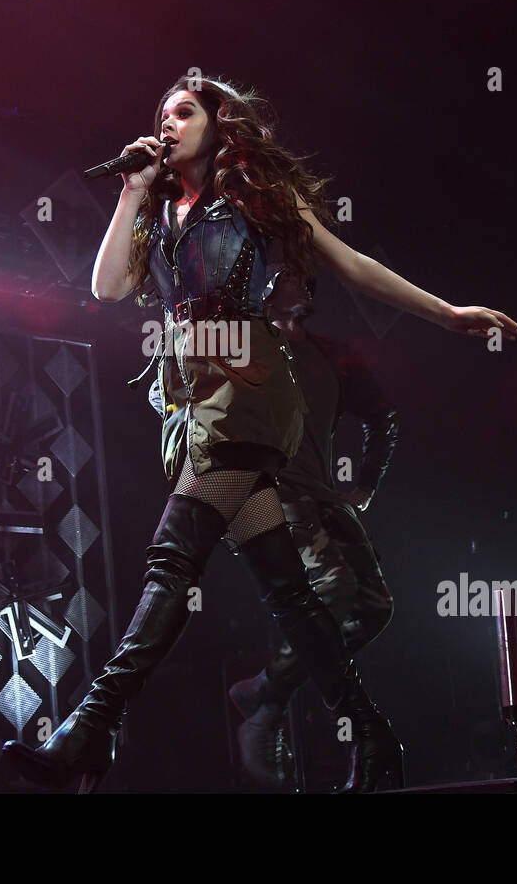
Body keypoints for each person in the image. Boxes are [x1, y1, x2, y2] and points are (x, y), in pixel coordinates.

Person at [2, 75, 517, 793]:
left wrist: (448, 313)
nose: (170, 122)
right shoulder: (158, 206)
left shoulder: (252, 197)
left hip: (246, 386)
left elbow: (352, 263)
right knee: (289, 590)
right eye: (162, 115)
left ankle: (89, 727)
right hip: (188, 397)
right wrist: (130, 190)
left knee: (170, 559)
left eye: (185, 111)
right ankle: (375, 738)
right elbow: (107, 289)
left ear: (221, 124)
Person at [150, 270, 400, 789]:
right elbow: (169, 393)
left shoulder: (334, 355)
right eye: (281, 275)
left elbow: (384, 416)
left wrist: (368, 481)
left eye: (302, 280)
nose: (293, 286)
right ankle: (269, 708)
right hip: (273, 493)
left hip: (323, 493)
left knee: (374, 608)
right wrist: (185, 413)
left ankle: (266, 690)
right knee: (332, 590)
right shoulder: (242, 340)